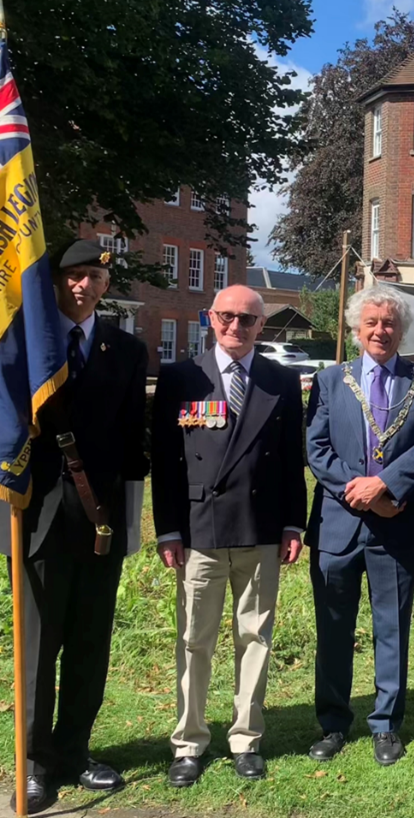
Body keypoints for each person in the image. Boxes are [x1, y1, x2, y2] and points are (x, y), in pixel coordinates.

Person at [2, 240, 147, 813]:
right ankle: (35, 763)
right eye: (74, 276)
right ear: (55, 282)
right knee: (38, 646)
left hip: (99, 520)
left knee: (91, 641)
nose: (84, 286)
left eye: (94, 277)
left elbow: (133, 440)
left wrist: (130, 523)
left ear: (106, 286)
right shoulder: (20, 345)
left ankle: (75, 749)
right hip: (35, 515)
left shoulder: (126, 349)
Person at [151, 284, 306, 787]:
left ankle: (246, 738)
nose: (235, 326)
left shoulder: (282, 380)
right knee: (194, 640)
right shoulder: (181, 377)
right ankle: (188, 742)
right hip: (199, 529)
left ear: (262, 325)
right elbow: (166, 462)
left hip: (261, 528)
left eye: (247, 319)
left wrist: (293, 523)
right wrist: (168, 529)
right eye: (226, 316)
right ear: (210, 318)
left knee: (255, 637)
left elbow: (292, 458)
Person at [305, 284, 414, 767]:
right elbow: (316, 448)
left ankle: (386, 724)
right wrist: (357, 490)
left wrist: (384, 486)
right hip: (337, 525)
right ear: (356, 330)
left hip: (397, 521)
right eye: (372, 323)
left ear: (401, 331)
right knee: (333, 628)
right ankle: (333, 723)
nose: (381, 330)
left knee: (392, 626)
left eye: (390, 323)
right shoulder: (330, 380)